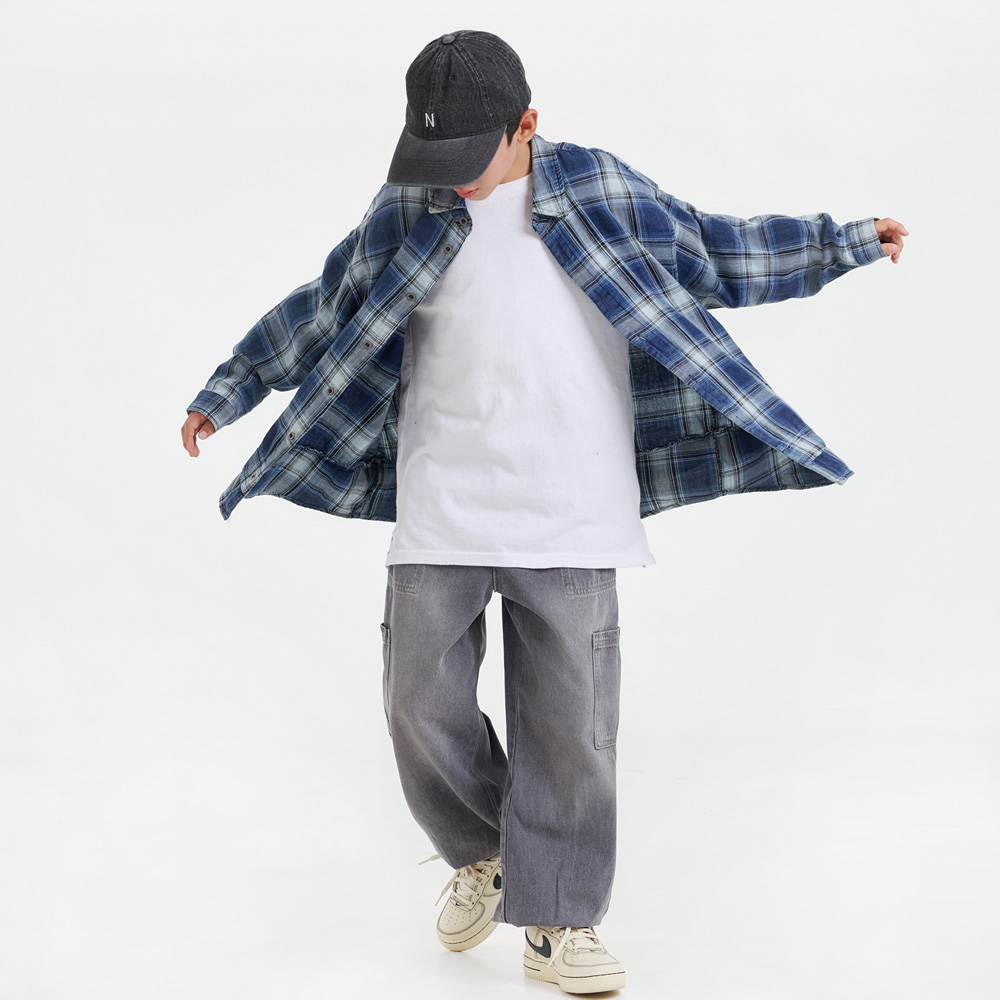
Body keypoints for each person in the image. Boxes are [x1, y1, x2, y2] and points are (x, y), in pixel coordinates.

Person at [181, 29, 908, 995]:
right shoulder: (407, 209)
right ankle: (485, 853)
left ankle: (559, 919)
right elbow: (324, 305)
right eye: (431, 156)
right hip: (441, 504)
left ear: (526, 125)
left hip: (573, 510)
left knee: (571, 732)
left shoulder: (602, 190)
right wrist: (230, 389)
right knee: (414, 702)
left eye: (467, 157)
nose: (453, 179)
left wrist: (842, 244)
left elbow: (717, 250)